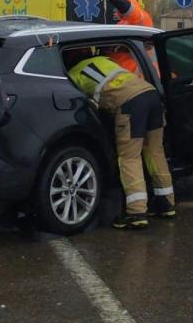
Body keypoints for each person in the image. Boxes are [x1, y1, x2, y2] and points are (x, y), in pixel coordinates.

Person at [65, 50, 175, 229]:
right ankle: (166, 204)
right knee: (155, 152)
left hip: (131, 104)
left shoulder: (73, 74)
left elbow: (80, 101)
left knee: (129, 157)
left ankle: (136, 213)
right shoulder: (104, 60)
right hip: (152, 95)